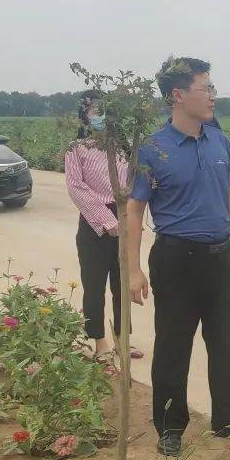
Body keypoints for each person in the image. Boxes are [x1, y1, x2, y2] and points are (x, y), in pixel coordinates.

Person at [126, 56, 230, 457]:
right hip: (176, 259)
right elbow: (135, 209)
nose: (213, 96)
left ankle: (228, 421)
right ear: (178, 96)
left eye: (212, 88)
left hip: (220, 257)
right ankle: (170, 426)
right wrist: (134, 268)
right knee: (173, 347)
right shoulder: (153, 149)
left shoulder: (220, 141)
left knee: (224, 344)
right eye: (205, 88)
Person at [65, 91, 135, 364]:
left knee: (122, 285)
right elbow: (76, 187)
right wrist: (106, 221)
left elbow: (133, 183)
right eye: (94, 110)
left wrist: (126, 217)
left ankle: (123, 339)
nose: (100, 116)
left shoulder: (122, 146)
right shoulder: (77, 148)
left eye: (104, 110)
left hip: (123, 218)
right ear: (84, 114)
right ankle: (100, 342)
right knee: (94, 286)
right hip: (94, 225)